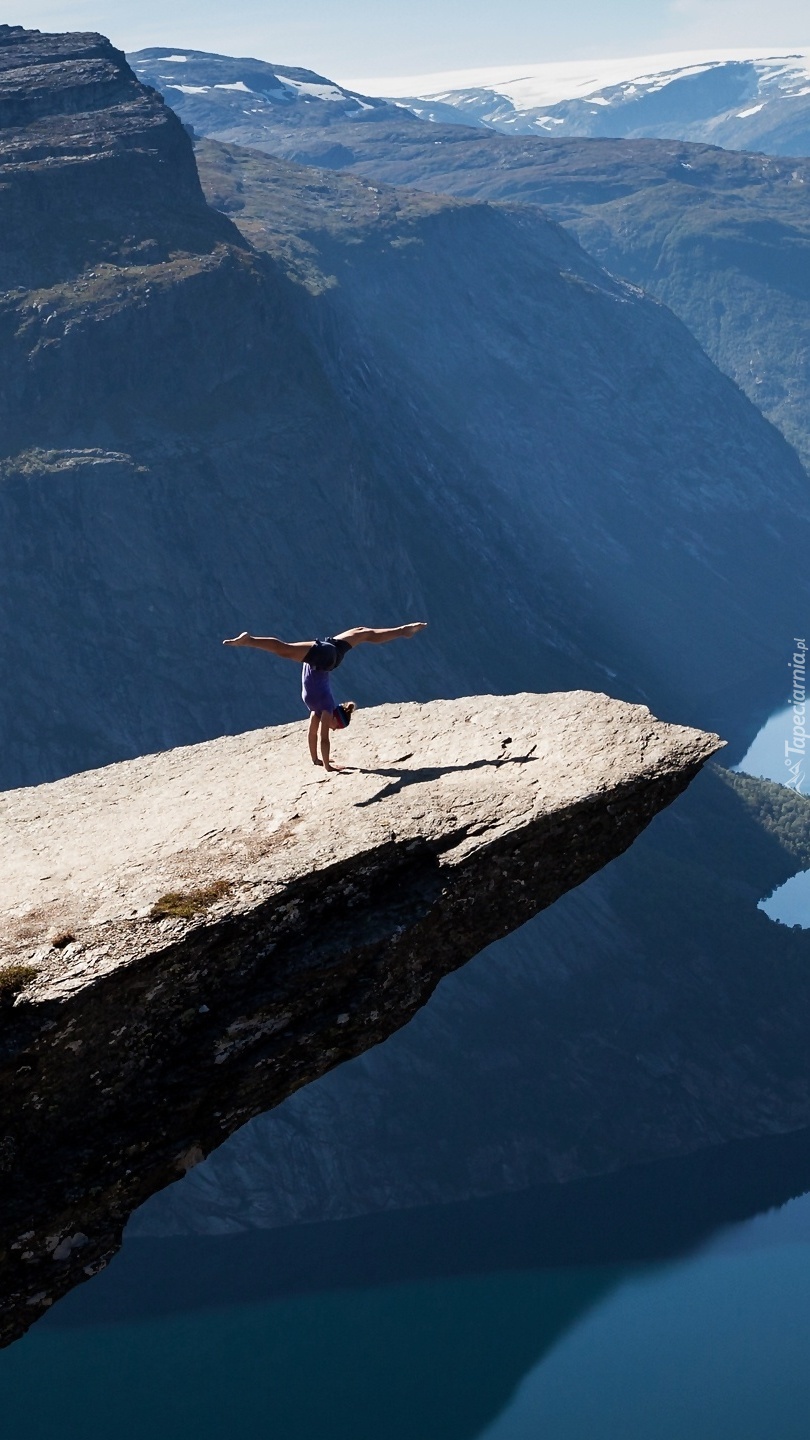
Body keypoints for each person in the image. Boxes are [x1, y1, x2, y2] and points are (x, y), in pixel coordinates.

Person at [222, 624, 427, 772]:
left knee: (363, 632)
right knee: (285, 649)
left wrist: (316, 761)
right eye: (335, 727)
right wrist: (328, 766)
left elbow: (312, 735)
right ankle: (249, 640)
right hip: (324, 658)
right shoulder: (326, 708)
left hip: (328, 653)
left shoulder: (316, 712)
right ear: (335, 720)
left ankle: (403, 631)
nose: (330, 729)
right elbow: (323, 739)